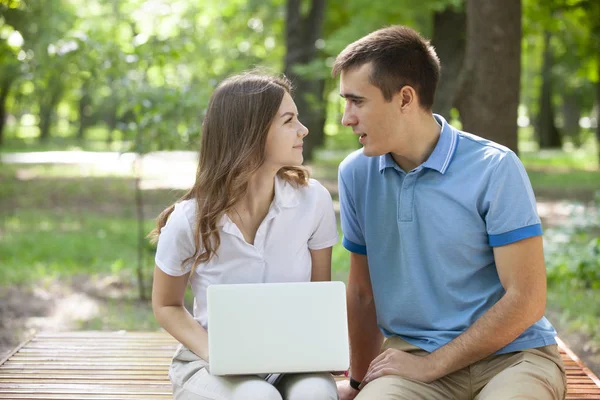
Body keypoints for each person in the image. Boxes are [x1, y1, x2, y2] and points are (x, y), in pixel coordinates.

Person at [332, 26, 566, 400]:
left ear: (405, 98)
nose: (346, 118)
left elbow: (526, 298)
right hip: (411, 360)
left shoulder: (494, 167)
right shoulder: (356, 174)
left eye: (357, 101)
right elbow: (363, 293)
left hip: (513, 357)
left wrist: (436, 364)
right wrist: (359, 383)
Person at [150, 72, 339, 400]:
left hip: (292, 361)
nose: (303, 129)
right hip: (207, 364)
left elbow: (319, 297)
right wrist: (216, 354)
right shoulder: (189, 219)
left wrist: (323, 349)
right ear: (251, 132)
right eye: (289, 120)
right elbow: (166, 304)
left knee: (317, 395)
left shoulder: (314, 201)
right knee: (258, 397)